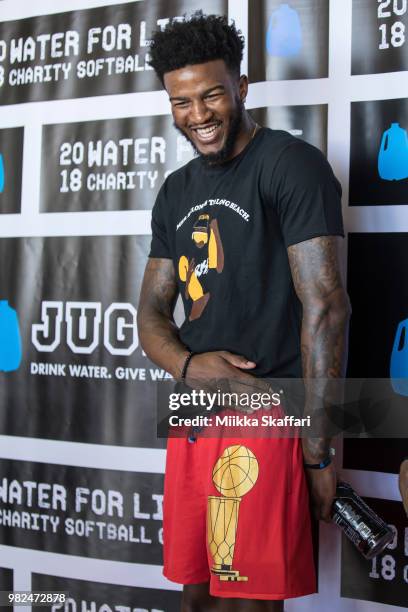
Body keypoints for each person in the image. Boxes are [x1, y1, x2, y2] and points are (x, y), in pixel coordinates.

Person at [137, 13, 351, 612]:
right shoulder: (175, 190)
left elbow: (327, 308)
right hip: (195, 412)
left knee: (249, 604)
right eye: (181, 101)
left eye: (211, 94)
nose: (198, 115)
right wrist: (186, 365)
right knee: (196, 592)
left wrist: (319, 450)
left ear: (242, 87)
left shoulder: (292, 166)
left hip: (267, 414)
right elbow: (150, 313)